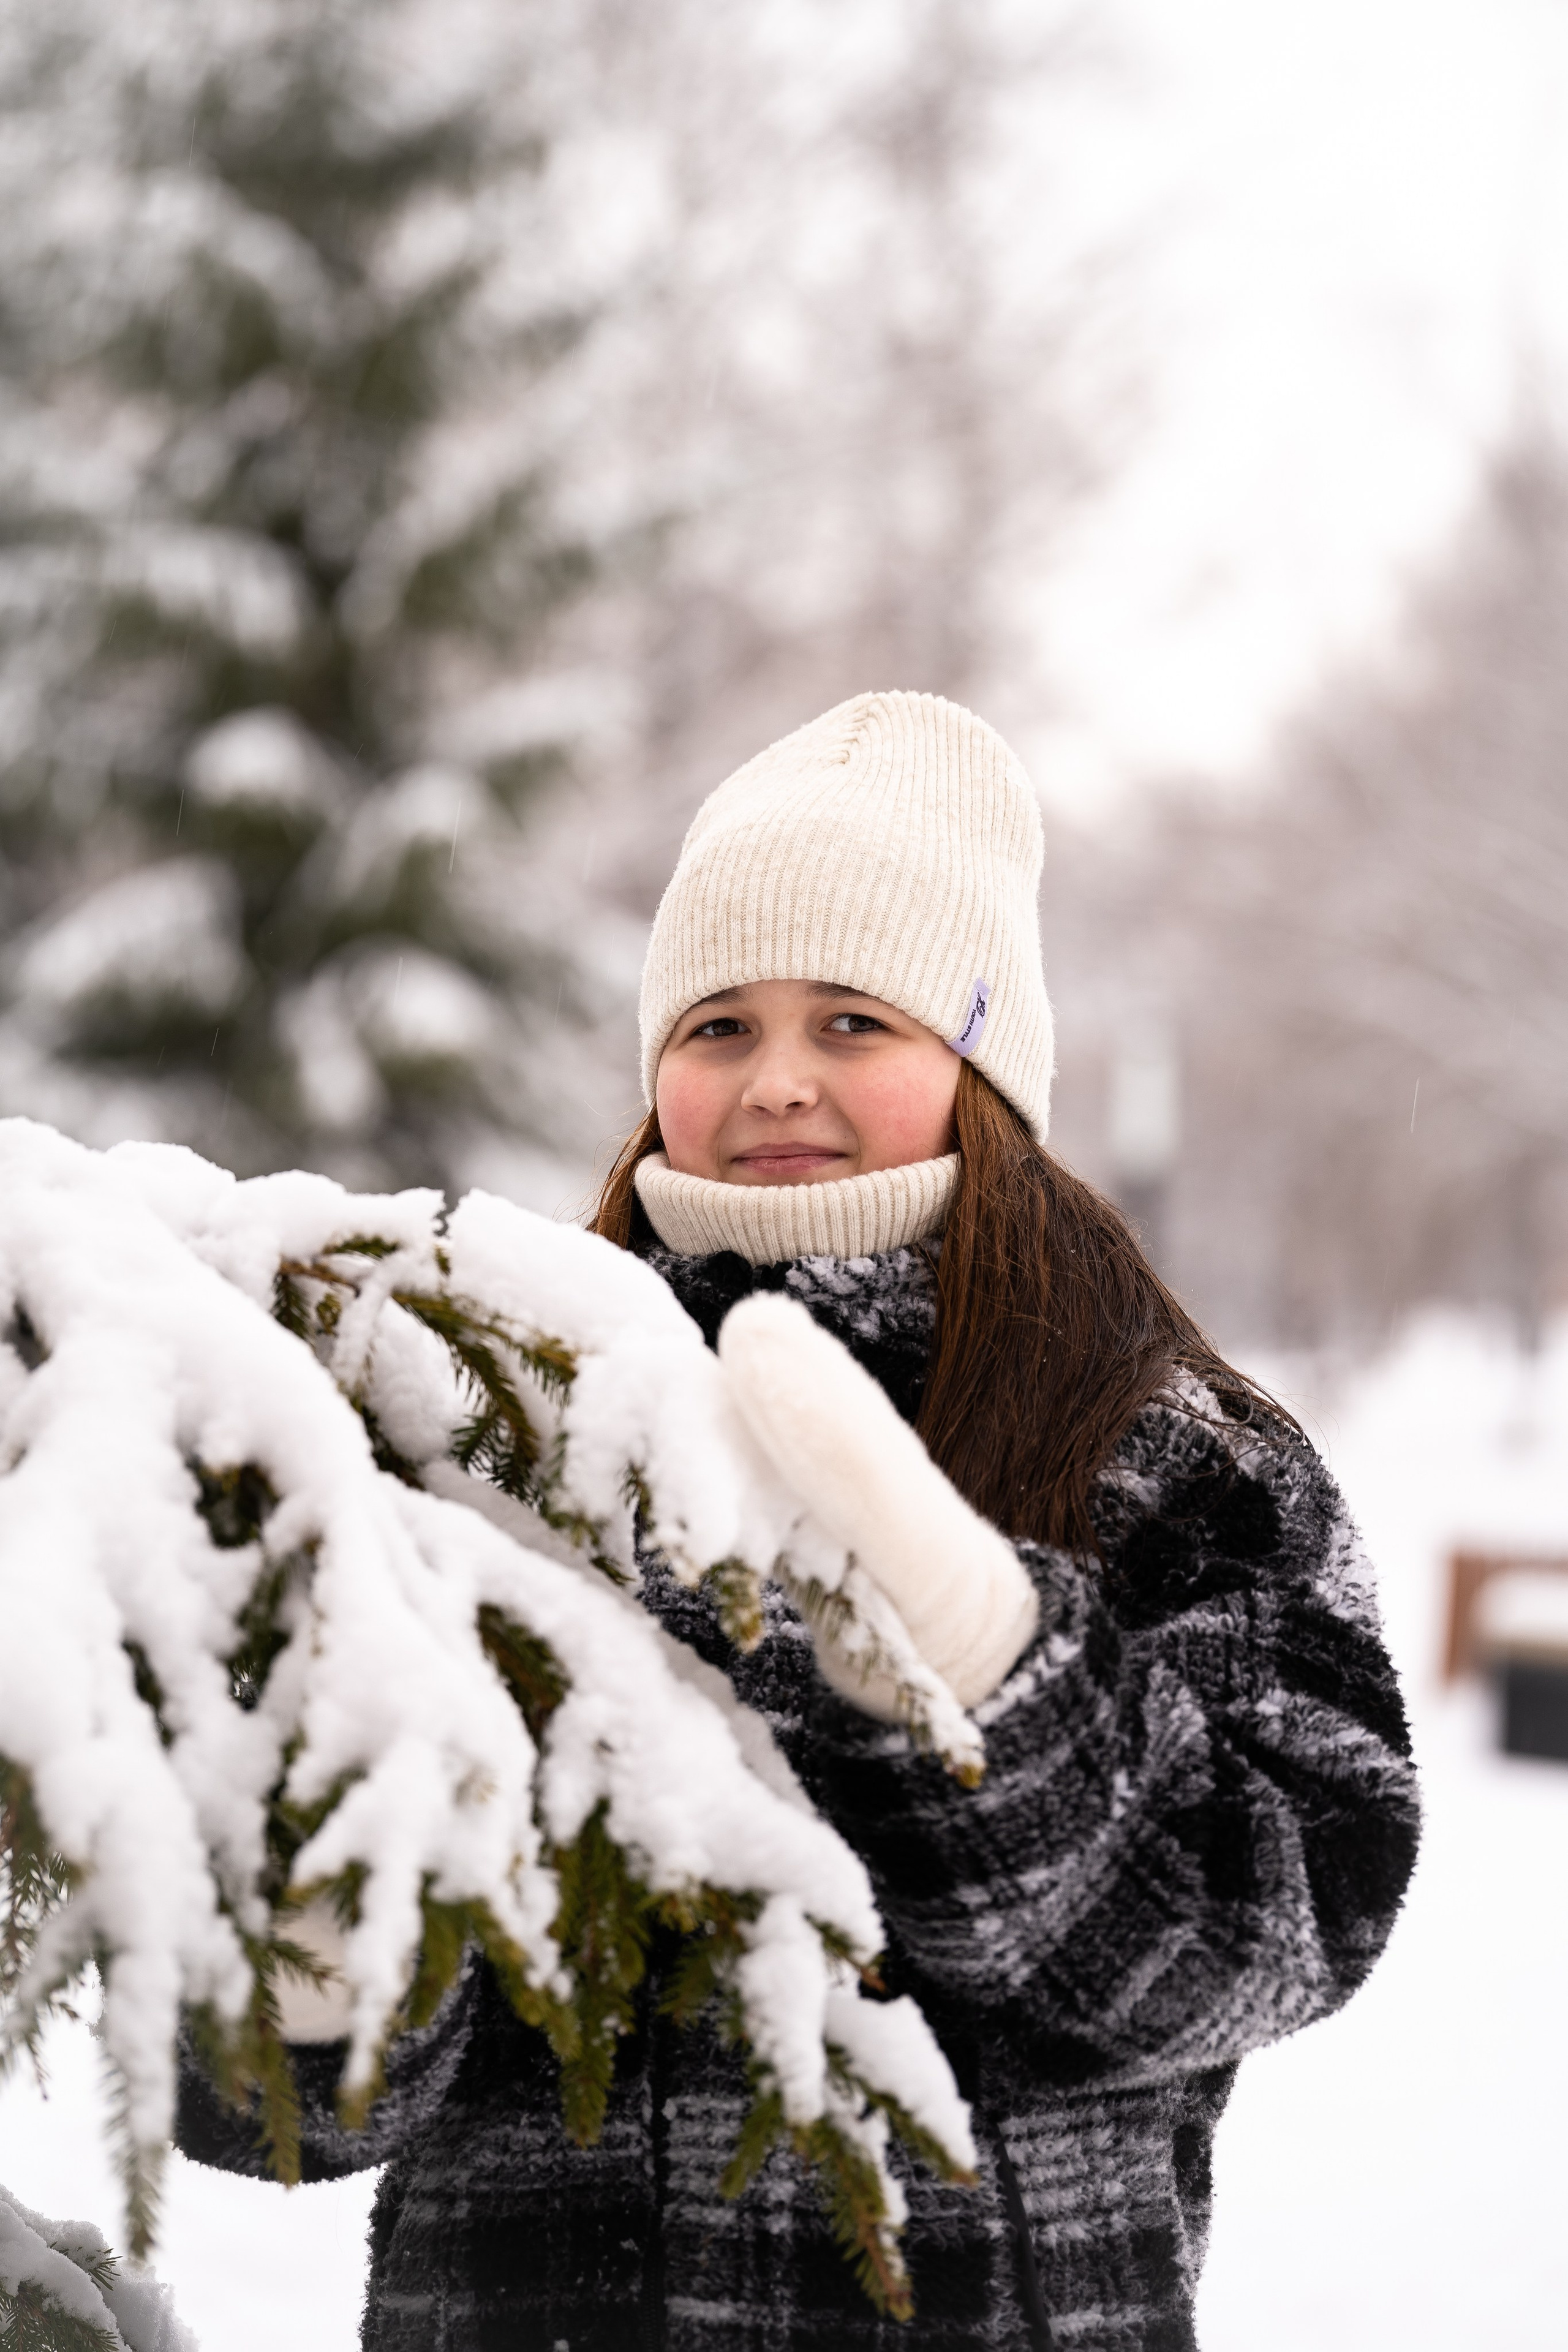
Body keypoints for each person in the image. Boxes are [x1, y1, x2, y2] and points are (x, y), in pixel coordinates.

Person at [178, 692, 1420, 2350]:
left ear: (981, 1060)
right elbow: (279, 2109)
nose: (776, 1083)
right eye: (717, 1029)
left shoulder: (1174, 1457)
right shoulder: (496, 1420)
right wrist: (325, 1969)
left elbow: (1278, 1936)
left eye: (853, 1023)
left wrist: (993, 1658)